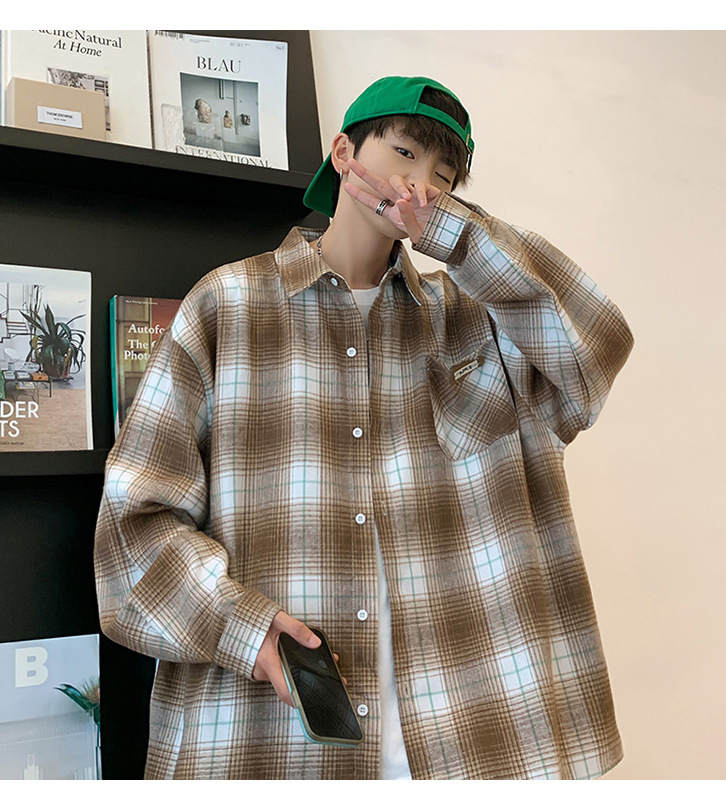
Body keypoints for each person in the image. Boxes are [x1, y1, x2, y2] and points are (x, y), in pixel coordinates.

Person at [94, 75, 635, 780]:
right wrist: (245, 630)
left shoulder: (477, 320)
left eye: (444, 177)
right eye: (404, 153)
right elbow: (133, 526)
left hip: (477, 733)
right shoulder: (227, 305)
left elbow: (596, 349)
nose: (420, 185)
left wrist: (455, 235)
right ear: (344, 152)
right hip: (270, 739)